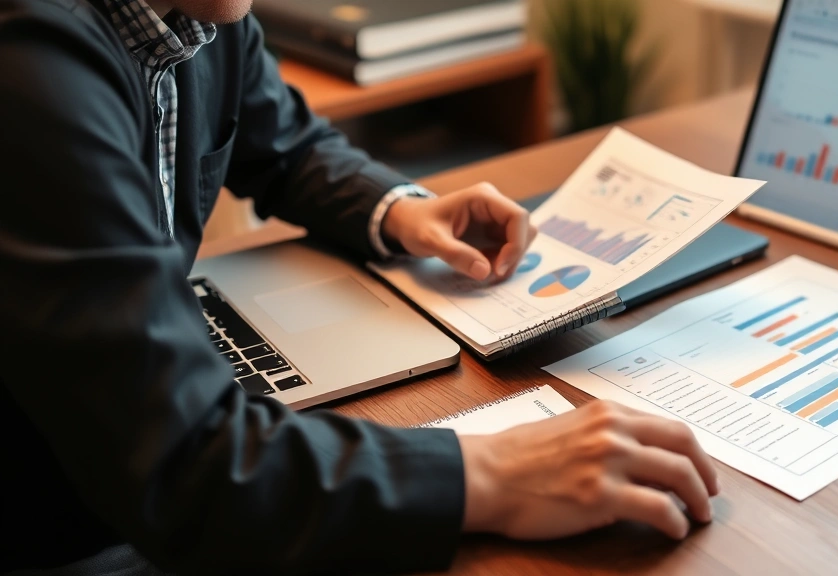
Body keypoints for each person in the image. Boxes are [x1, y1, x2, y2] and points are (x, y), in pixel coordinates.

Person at [0, 0, 720, 573]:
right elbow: (187, 467)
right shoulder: (31, 65)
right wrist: (493, 472)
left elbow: (287, 144)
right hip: (68, 517)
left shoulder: (205, 15)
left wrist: (402, 209)